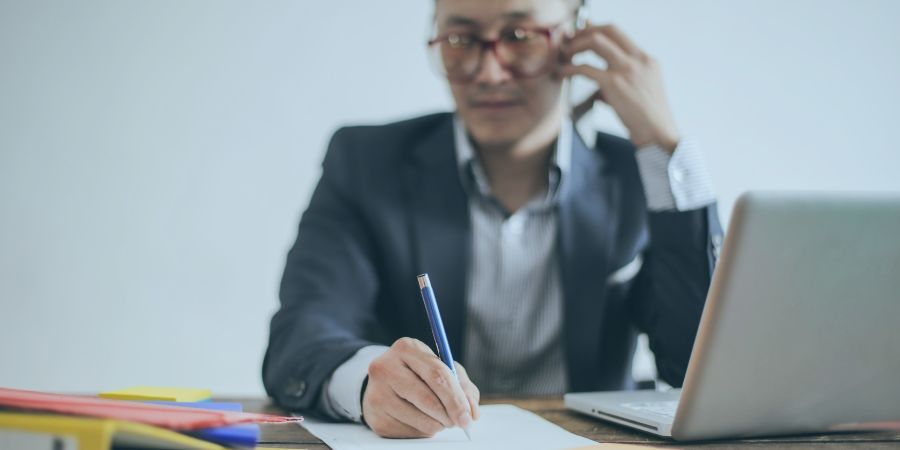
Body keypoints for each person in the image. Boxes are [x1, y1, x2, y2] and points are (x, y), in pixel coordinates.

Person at [263, 0, 723, 439]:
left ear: (577, 35)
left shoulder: (638, 174)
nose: (487, 72)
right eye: (461, 40)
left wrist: (664, 148)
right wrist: (367, 383)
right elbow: (302, 335)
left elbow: (697, 368)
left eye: (520, 36)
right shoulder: (366, 163)